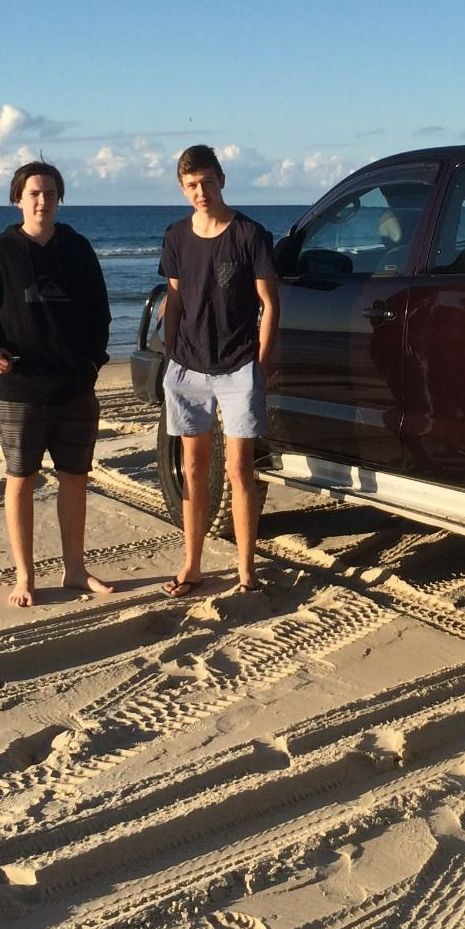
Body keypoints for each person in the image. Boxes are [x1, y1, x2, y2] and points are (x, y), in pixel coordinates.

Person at [0, 160, 115, 607]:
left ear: (59, 199)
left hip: (75, 388)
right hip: (21, 390)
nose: (42, 201)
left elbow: (100, 310)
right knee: (21, 479)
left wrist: (93, 362)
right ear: (18, 199)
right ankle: (24, 576)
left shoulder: (78, 249)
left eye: (49, 193)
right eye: (34, 194)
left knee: (75, 478)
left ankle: (75, 570)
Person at [158, 143, 280, 595]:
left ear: (222, 179)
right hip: (187, 366)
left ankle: (247, 571)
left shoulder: (250, 235)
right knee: (193, 468)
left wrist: (258, 365)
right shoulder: (175, 236)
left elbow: (270, 305)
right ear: (182, 188)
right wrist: (171, 355)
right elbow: (173, 300)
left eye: (207, 182)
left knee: (239, 469)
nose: (201, 192)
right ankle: (192, 564)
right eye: (191, 185)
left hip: (238, 366)